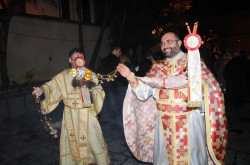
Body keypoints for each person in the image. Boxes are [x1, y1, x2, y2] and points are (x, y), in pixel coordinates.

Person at [117, 32, 227, 165]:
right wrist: (130, 76)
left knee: (192, 158)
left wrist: (195, 83)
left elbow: (212, 88)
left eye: (169, 41)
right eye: (162, 43)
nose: (165, 46)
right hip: (163, 121)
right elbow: (144, 93)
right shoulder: (157, 68)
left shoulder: (194, 62)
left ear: (180, 43)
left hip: (190, 120)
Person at [32, 48, 110, 165]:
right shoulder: (63, 76)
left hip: (88, 115)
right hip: (70, 116)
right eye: (76, 59)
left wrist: (91, 93)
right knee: (73, 143)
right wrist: (41, 90)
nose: (79, 61)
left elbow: (99, 90)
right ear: (70, 60)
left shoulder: (89, 74)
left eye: (82, 58)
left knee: (93, 140)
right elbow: (51, 86)